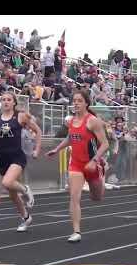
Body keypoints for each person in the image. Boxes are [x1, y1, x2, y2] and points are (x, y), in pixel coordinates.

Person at [46, 90, 109, 243]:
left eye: (79, 101)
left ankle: (103, 172)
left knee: (97, 197)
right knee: (74, 197)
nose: (76, 103)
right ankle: (76, 231)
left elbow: (105, 144)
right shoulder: (71, 121)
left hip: (92, 164)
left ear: (86, 103)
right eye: (74, 100)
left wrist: (94, 160)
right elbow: (70, 137)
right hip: (76, 164)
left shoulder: (93, 120)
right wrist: (57, 149)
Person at [0, 92, 42, 232]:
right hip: (2, 157)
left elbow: (38, 131)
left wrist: (37, 150)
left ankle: (26, 189)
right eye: (3, 100)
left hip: (17, 155)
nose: (6, 102)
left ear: (14, 102)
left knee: (7, 182)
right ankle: (26, 217)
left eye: (9, 100)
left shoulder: (20, 116)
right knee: (11, 193)